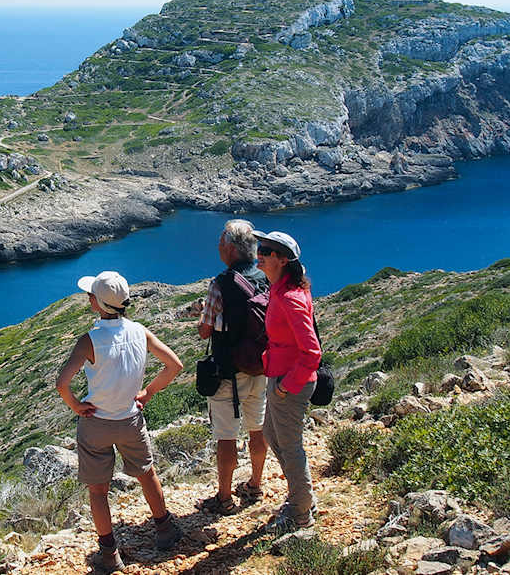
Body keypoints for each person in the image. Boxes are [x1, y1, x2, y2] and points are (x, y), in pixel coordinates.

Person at [55, 270, 185, 572]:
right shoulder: (140, 332)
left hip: (96, 423)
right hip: (130, 419)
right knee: (146, 473)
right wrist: (148, 392)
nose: (88, 298)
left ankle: (110, 554)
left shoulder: (89, 340)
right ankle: (165, 530)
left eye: (91, 296)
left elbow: (63, 383)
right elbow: (174, 365)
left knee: (98, 491)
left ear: (98, 304)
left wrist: (77, 406)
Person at [196, 219, 269, 515]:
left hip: (229, 371)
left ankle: (224, 498)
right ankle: (255, 484)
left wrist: (204, 316)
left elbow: (205, 331)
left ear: (230, 248)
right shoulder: (266, 276)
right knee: (257, 428)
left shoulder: (221, 283)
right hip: (262, 367)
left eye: (220, 242)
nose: (217, 247)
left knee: (226, 436)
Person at [253, 230, 321, 530]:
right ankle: (302, 496)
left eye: (266, 251)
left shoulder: (290, 298)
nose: (259, 254)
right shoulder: (281, 290)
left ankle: (300, 512)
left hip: (290, 381)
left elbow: (311, 351)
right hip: (279, 375)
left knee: (289, 445)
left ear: (282, 260)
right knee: (271, 434)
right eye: (259, 248)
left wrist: (285, 386)